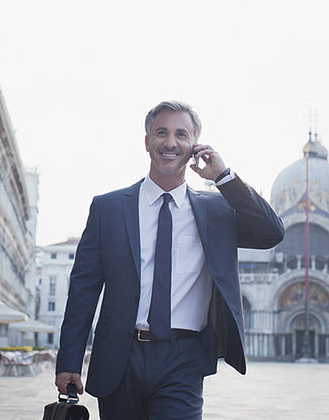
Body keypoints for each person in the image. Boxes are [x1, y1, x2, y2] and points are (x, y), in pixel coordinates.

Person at [55, 100, 284, 419]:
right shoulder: (107, 209)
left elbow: (271, 233)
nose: (170, 142)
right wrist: (68, 361)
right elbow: (83, 291)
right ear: (147, 141)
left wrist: (224, 176)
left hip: (184, 358)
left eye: (181, 134)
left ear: (195, 146)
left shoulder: (216, 212)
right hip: (120, 356)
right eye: (161, 133)